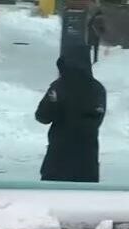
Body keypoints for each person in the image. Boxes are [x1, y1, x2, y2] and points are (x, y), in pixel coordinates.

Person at [36, 55, 107, 183]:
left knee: (50, 198)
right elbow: (94, 121)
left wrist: (55, 103)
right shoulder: (97, 89)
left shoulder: (59, 87)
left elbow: (42, 116)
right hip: (86, 160)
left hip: (58, 157)